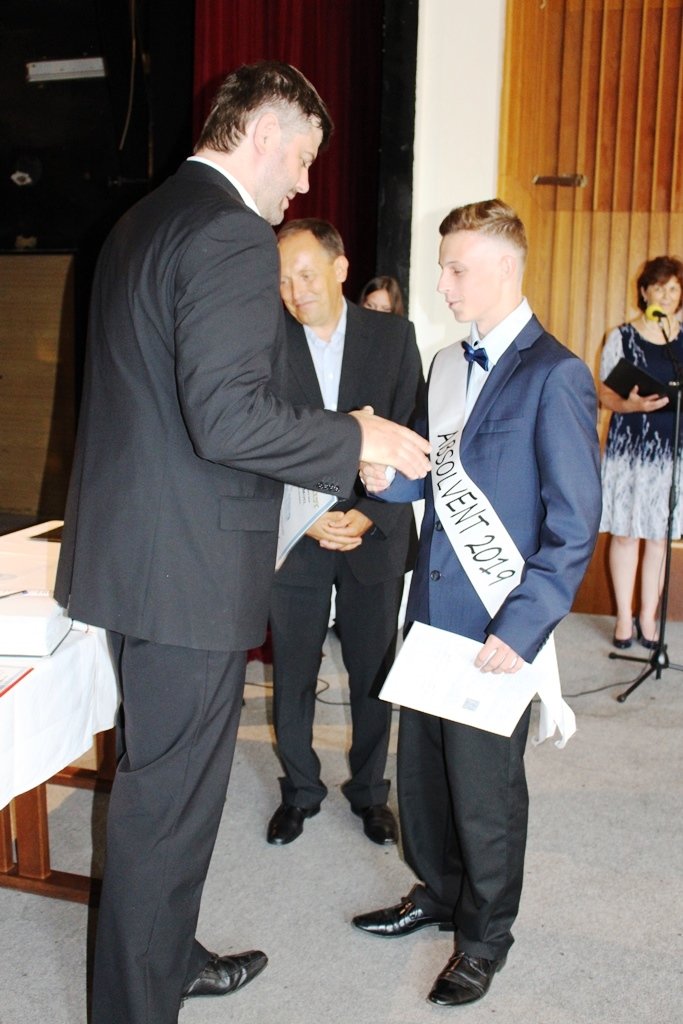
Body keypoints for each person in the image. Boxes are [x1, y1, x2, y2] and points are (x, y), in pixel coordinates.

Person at [53, 60, 430, 1024]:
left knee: (160, 790)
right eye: (301, 158)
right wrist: (356, 436)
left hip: (141, 557)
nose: (302, 183)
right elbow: (227, 418)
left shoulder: (144, 218)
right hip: (185, 571)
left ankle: (165, 956)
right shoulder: (226, 230)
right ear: (263, 133)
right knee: (170, 809)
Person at [352, 199, 601, 1007]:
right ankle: (437, 892)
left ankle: (485, 937)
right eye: (443, 268)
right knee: (423, 778)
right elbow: (429, 473)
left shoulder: (555, 374)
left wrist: (521, 628)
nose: (444, 284)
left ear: (504, 267)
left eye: (457, 268)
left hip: (497, 623)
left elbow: (572, 526)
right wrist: (385, 476)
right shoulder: (446, 366)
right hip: (431, 616)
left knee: (485, 793)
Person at [266, 218, 423, 847]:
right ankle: (300, 791)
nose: (295, 291)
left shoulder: (394, 337)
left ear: (339, 268)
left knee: (373, 673)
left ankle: (370, 793)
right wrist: (307, 517)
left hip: (372, 530)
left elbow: (414, 431)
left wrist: (371, 512)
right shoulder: (265, 339)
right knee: (294, 672)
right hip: (295, 532)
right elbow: (258, 441)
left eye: (306, 274)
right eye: (283, 280)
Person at [598, 255, 683, 648]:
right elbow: (603, 394)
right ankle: (623, 618)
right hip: (629, 451)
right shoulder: (622, 337)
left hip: (670, 453)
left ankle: (649, 617)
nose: (666, 295)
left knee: (658, 538)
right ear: (645, 292)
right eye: (659, 288)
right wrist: (629, 405)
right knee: (626, 535)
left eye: (674, 289)